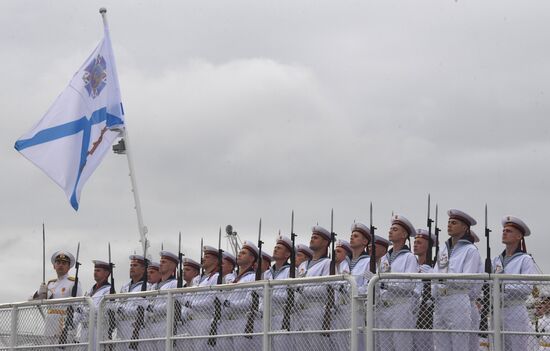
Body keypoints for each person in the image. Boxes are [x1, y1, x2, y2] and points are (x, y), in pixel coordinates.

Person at [428, 209, 482, 351]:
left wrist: (444, 277)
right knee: (440, 343)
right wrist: (436, 290)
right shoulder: (444, 249)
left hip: (458, 297)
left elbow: (467, 280)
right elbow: (435, 273)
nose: (449, 225)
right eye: (449, 222)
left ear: (465, 227)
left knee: (459, 344)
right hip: (441, 299)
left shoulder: (470, 250)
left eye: (454, 223)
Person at [492, 216, 538, 351]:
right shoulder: (496, 260)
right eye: (504, 230)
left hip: (515, 309)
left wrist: (502, 285)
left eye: (509, 231)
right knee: (497, 347)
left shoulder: (525, 260)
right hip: (497, 310)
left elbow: (527, 287)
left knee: (517, 347)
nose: (504, 232)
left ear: (519, 236)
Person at [376, 214, 419, 351]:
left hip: (401, 306)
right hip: (384, 307)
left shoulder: (409, 257)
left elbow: (408, 285)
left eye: (395, 229)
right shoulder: (384, 258)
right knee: (385, 346)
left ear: (403, 235)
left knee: (402, 345)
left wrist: (385, 284)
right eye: (390, 228)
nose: (390, 231)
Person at [32, 250, 83, 346]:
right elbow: (32, 300)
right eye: (58, 263)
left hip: (65, 324)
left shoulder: (73, 283)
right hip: (50, 325)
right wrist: (40, 292)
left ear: (69, 267)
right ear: (54, 266)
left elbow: (79, 307)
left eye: (64, 263)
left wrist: (71, 325)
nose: (60, 265)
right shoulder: (51, 283)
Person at [296, 225, 333, 350]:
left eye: (316, 237)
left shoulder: (327, 263)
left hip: (316, 310)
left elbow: (327, 289)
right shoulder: (303, 265)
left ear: (325, 242)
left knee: (315, 346)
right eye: (312, 237)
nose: (312, 239)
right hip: (299, 312)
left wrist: (302, 289)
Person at [116, 254, 148, 351]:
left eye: (135, 266)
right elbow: (118, 303)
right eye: (131, 265)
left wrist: (124, 310)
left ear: (143, 269)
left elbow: (143, 307)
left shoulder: (147, 286)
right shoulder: (125, 286)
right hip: (121, 325)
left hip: (135, 324)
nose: (131, 268)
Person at [79, 260, 113, 350]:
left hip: (98, 328)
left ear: (106, 273)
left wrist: (85, 310)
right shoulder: (91, 290)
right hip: (86, 327)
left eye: (98, 270)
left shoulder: (109, 290)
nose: (95, 273)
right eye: (95, 270)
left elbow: (100, 309)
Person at [413, 229, 436, 351]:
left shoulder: (433, 267)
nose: (415, 244)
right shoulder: (412, 264)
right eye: (415, 242)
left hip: (426, 312)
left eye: (419, 242)